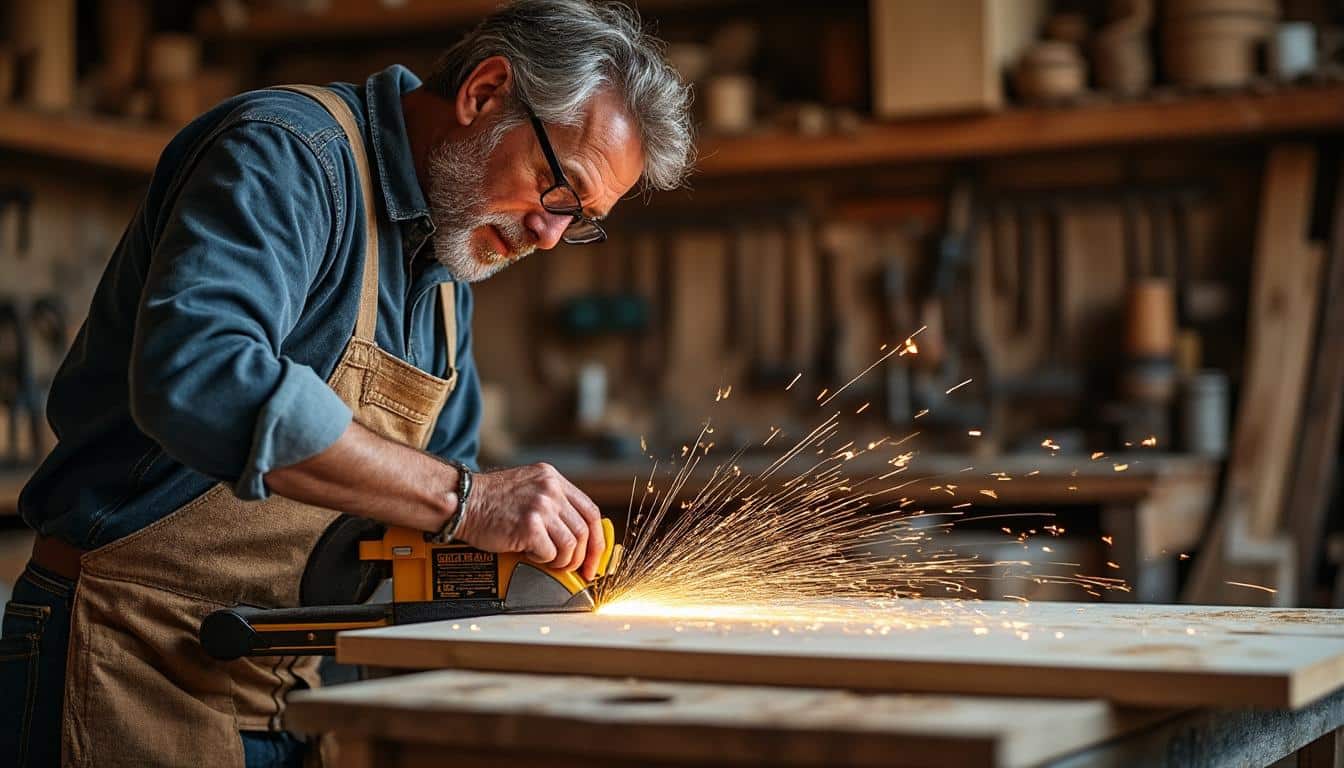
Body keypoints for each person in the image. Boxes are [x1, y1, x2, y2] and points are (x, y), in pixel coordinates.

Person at [0, 1, 694, 766]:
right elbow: (201, 375)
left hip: (279, 678)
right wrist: (470, 501)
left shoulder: (447, 268)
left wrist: (518, 579)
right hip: (125, 652)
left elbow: (423, 518)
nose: (551, 234)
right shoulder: (287, 154)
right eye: (557, 189)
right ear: (485, 92)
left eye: (581, 220)